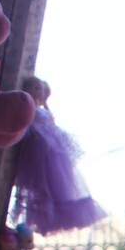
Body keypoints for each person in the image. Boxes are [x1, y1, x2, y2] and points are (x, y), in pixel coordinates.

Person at [12, 77, 105, 235]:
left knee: (57, 182)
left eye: (40, 88)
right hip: (40, 149)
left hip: (51, 152)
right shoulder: (30, 108)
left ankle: (56, 209)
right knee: (45, 182)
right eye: (36, 88)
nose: (39, 91)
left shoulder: (41, 110)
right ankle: (47, 209)